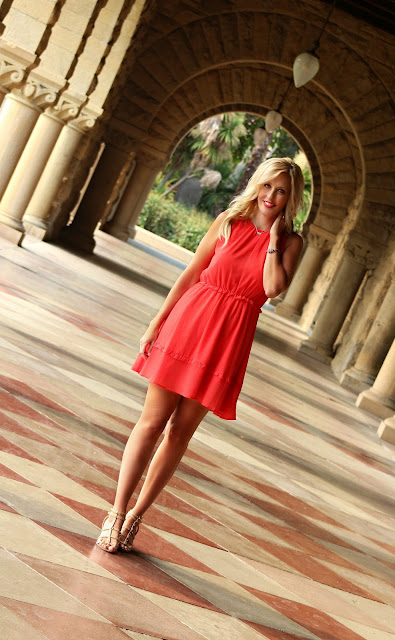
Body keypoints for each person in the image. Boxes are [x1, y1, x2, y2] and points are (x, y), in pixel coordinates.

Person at [96, 157, 305, 553]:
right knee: (152, 422)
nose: (271, 197)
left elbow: (273, 287)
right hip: (191, 321)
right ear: (256, 185)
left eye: (281, 191)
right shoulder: (228, 221)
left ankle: (137, 516)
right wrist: (157, 322)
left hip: (229, 339)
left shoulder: (291, 243)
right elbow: (192, 272)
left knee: (179, 433)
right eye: (267, 186)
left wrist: (273, 239)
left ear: (290, 199)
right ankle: (116, 513)